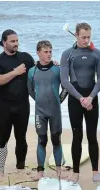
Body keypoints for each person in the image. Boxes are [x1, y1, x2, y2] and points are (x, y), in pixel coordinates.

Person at [60, 22, 100, 183]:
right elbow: (65, 81)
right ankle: (76, 173)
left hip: (92, 98)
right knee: (77, 136)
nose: (86, 40)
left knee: (92, 136)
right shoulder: (68, 54)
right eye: (83, 37)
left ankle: (95, 172)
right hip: (75, 99)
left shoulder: (96, 53)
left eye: (88, 37)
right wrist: (81, 98)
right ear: (76, 35)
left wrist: (91, 97)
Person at [0, 29, 35, 176]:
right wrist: (15, 72)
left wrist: (50, 64)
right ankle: (0, 169)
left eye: (17, 41)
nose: (16, 44)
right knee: (3, 137)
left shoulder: (26, 58)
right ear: (4, 43)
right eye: (12, 41)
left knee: (21, 138)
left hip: (22, 105)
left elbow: (36, 73)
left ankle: (20, 168)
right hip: (4, 106)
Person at [27, 40, 68, 180]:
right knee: (42, 140)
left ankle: (58, 171)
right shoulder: (32, 71)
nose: (49, 54)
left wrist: (59, 100)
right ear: (38, 53)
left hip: (55, 111)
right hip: (40, 112)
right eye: (46, 52)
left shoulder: (58, 69)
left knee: (56, 140)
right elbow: (30, 90)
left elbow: (66, 87)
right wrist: (39, 100)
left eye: (50, 51)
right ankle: (40, 172)